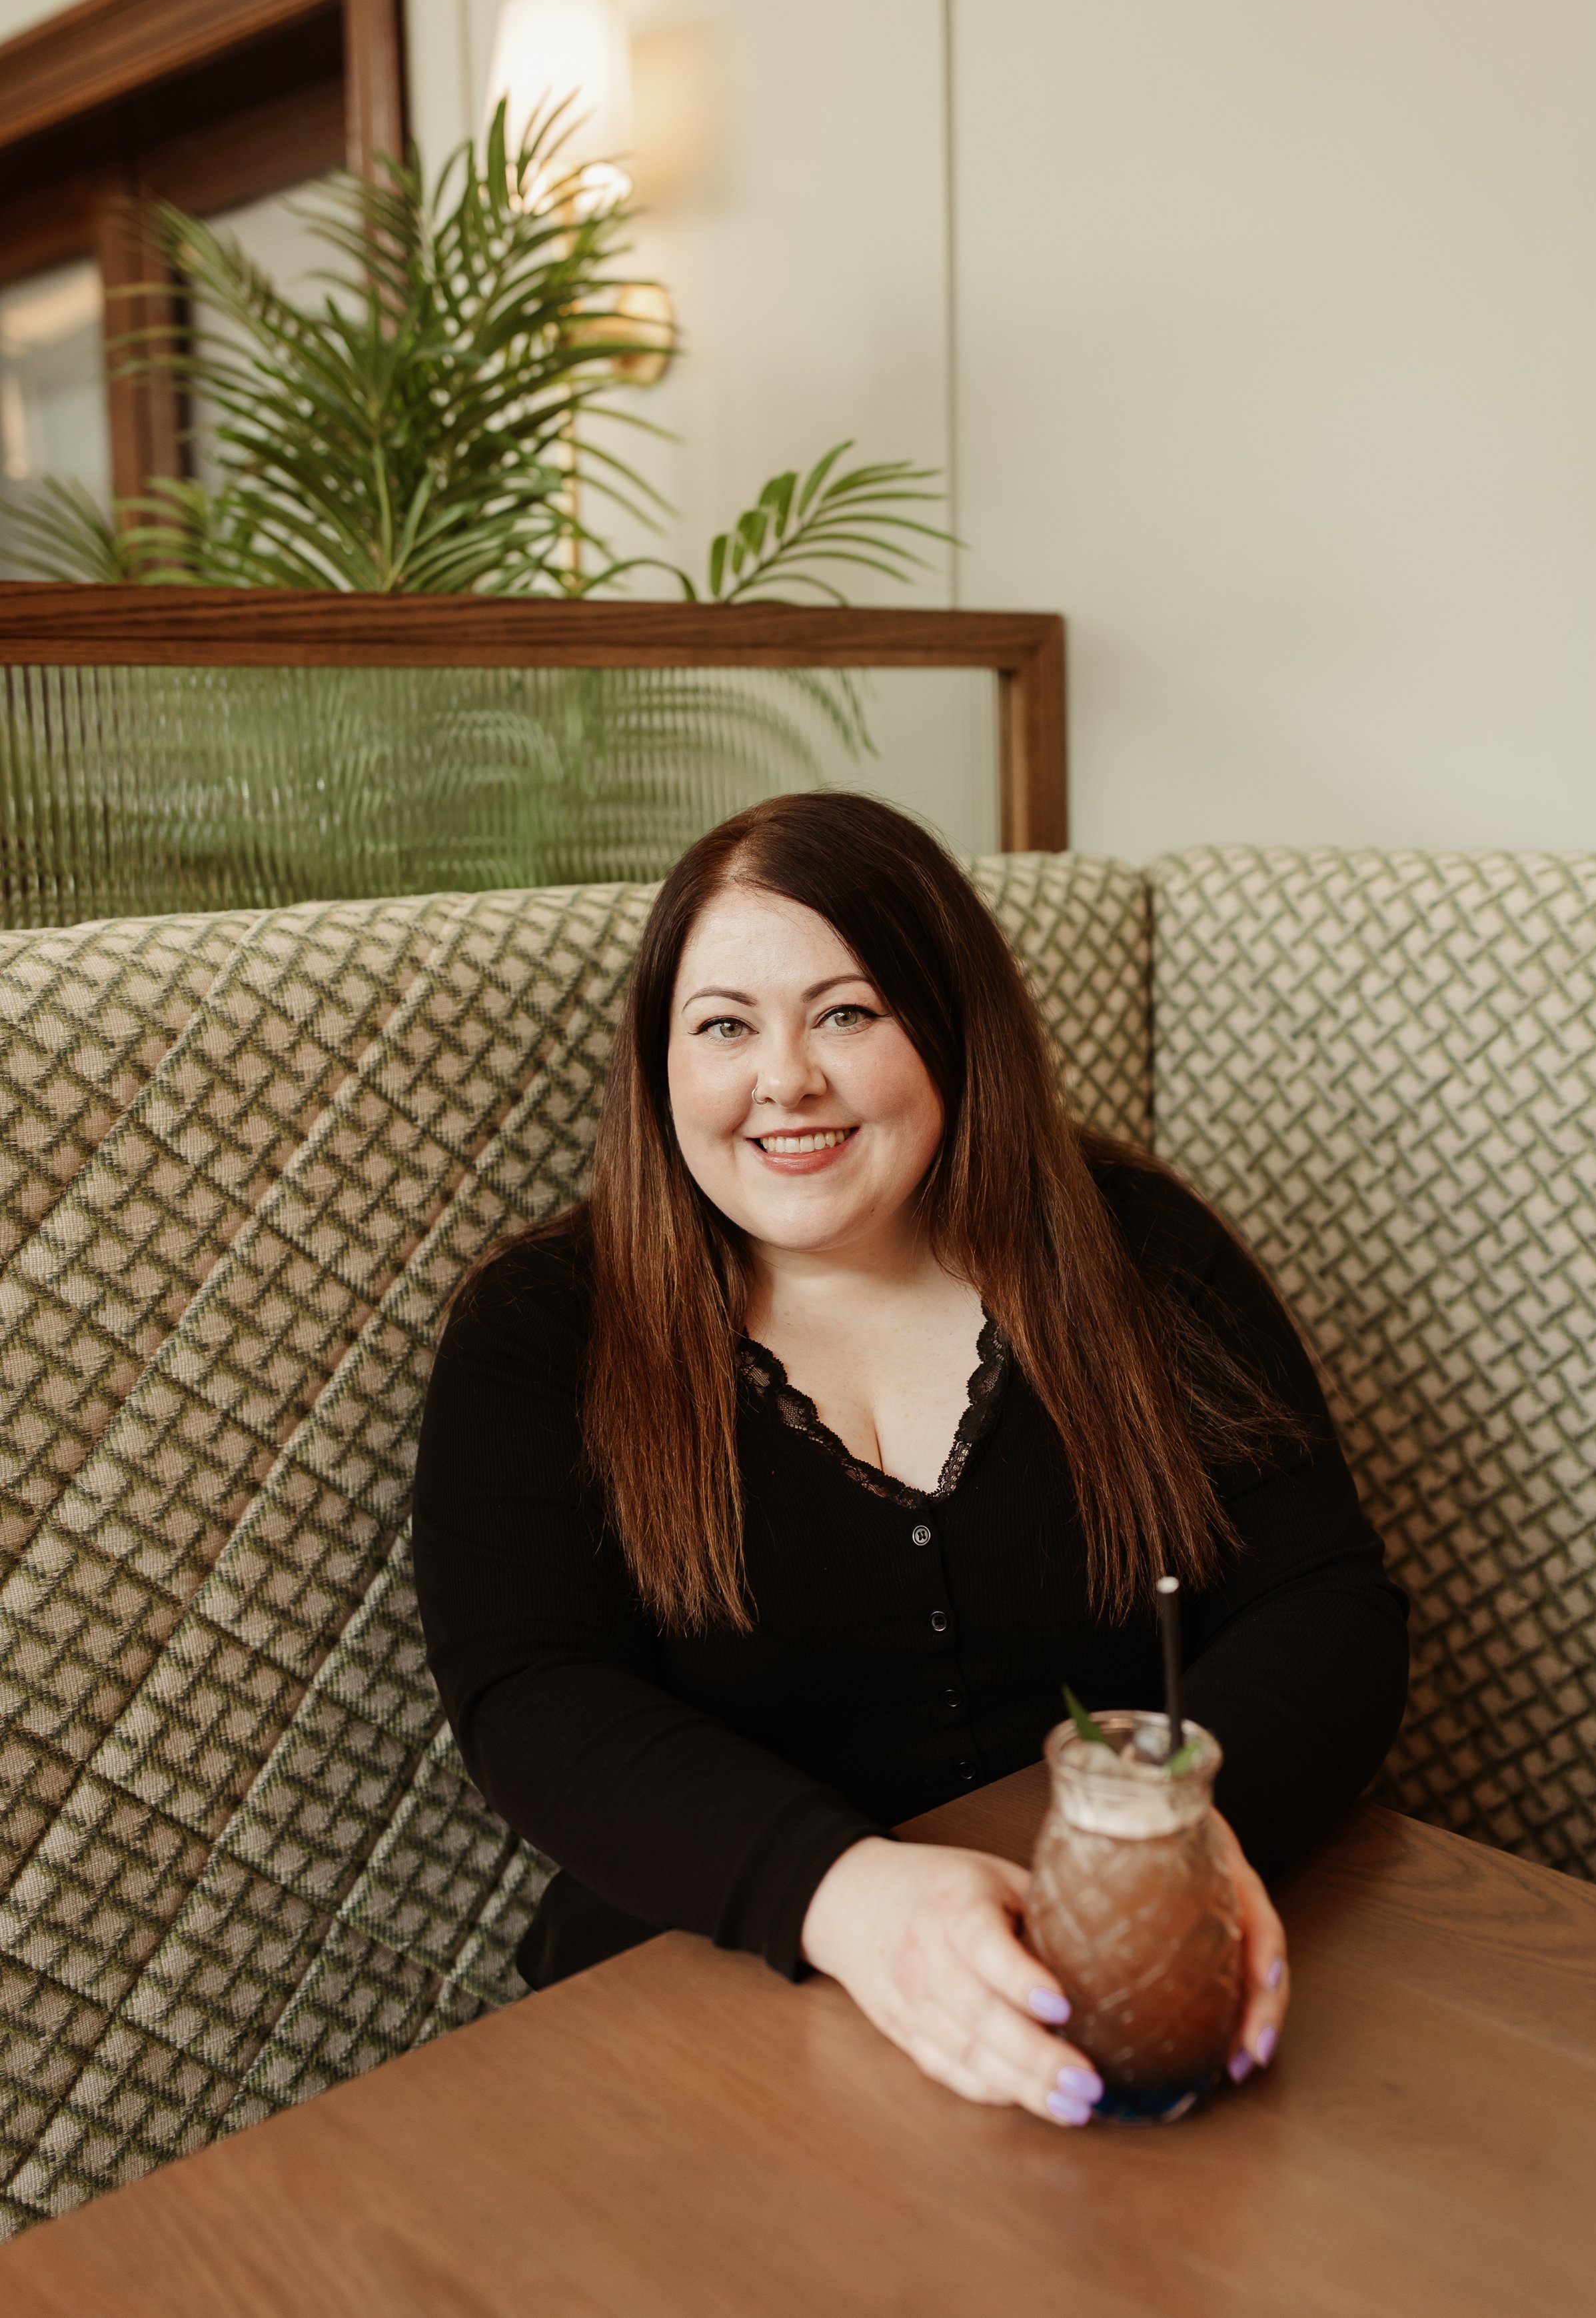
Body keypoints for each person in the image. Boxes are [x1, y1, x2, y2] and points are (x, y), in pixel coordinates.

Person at [413, 792, 1408, 2127]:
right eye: (723, 1026)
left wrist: (1186, 1832)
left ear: (950, 1026)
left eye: (845, 1013)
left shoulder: (1139, 1253)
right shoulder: (540, 1330)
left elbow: (1326, 1598)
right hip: (705, 2002)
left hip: (1117, 1968)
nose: (785, 1079)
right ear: (659, 1064)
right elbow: (531, 1698)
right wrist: (849, 1899)